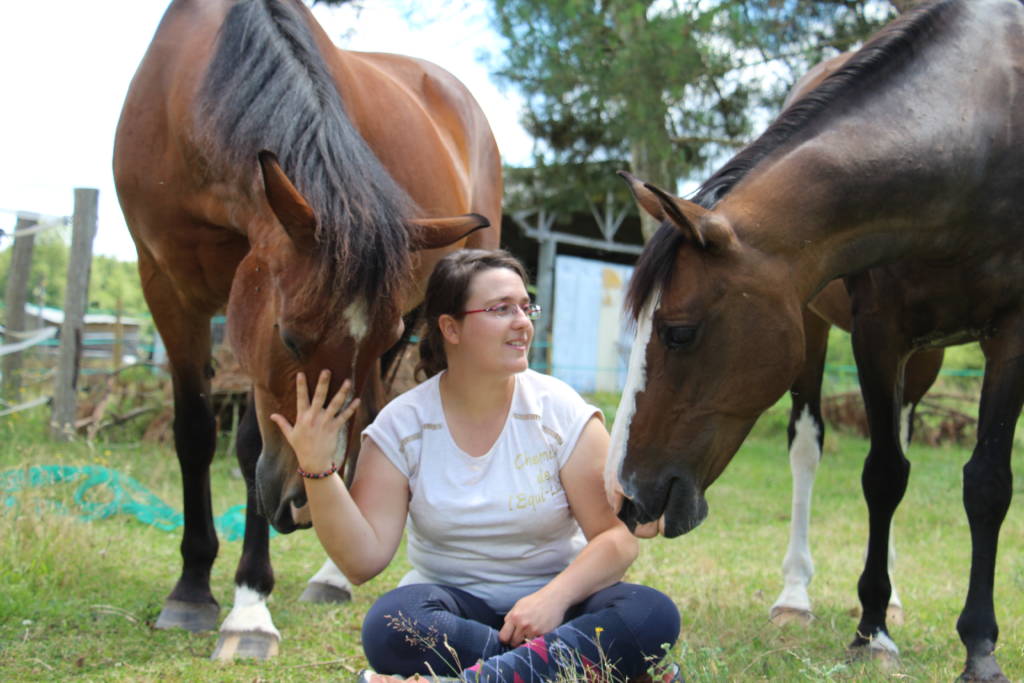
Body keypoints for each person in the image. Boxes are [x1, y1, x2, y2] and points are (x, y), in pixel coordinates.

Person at [271, 249, 680, 681]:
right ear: (450, 327)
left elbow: (616, 541)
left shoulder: (559, 410)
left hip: (559, 611)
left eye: (526, 307)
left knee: (650, 613)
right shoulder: (403, 425)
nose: (523, 322)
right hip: (454, 612)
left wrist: (553, 599)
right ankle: (565, 671)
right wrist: (318, 468)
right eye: (501, 309)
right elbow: (362, 561)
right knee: (389, 624)